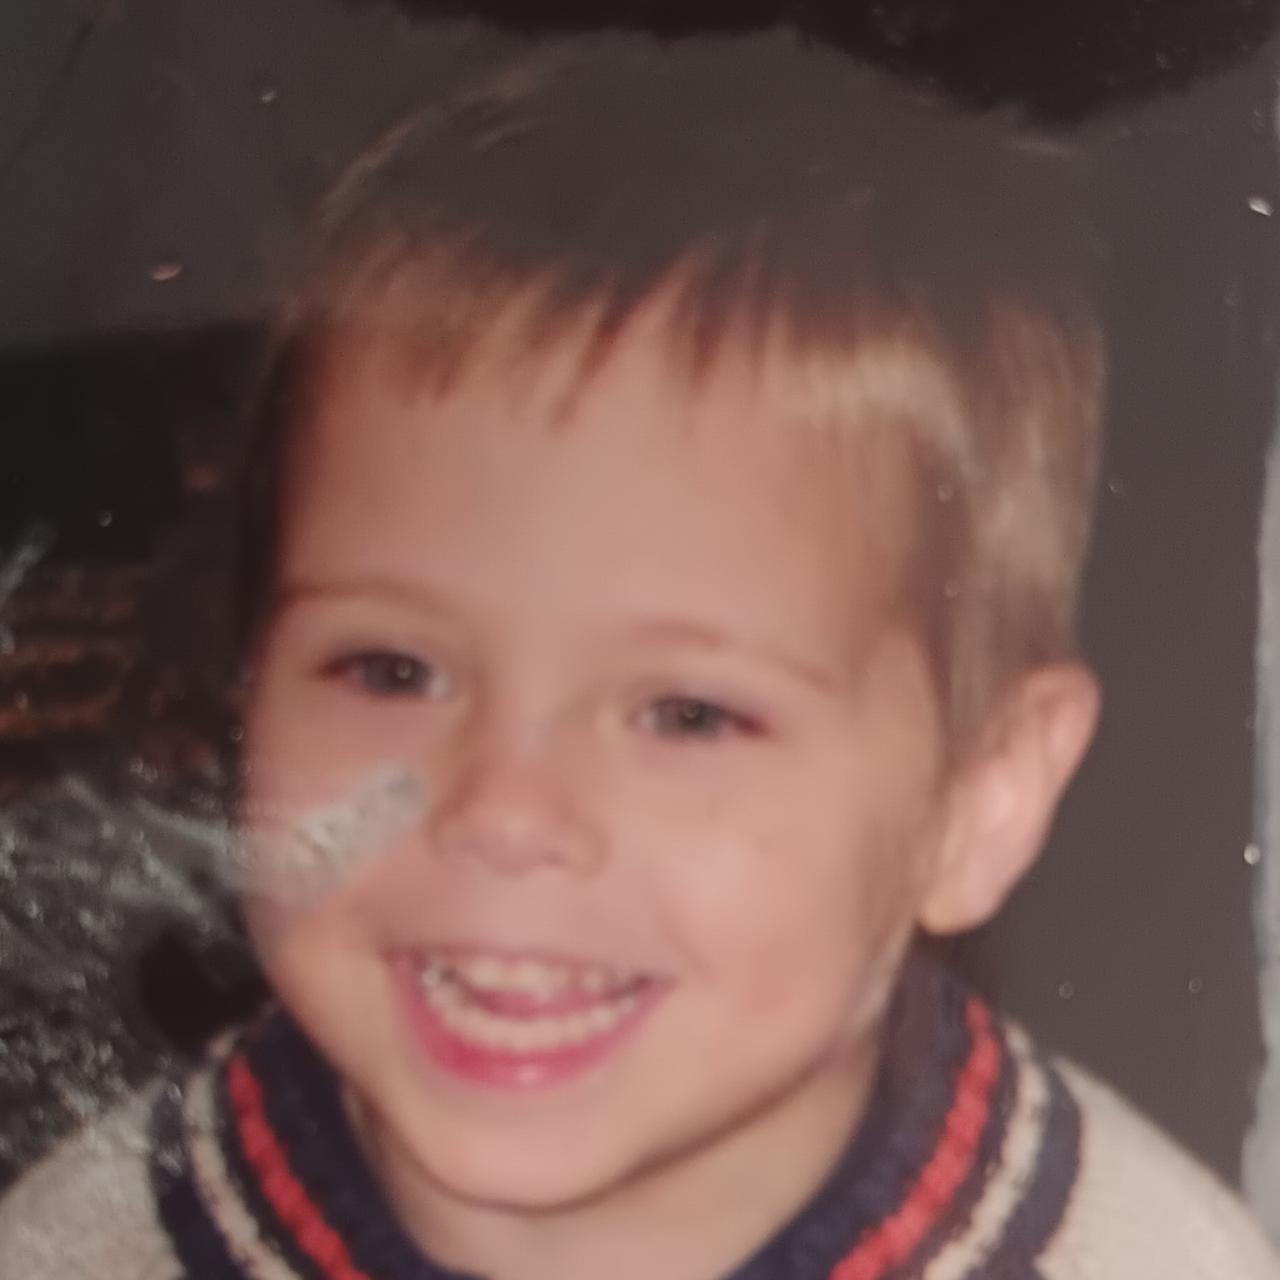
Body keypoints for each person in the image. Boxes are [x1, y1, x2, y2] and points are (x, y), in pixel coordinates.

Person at [2, 26, 1277, 1280]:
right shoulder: (82, 1245)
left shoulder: (1142, 1258)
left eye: (684, 712)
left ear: (974, 797)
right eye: (391, 668)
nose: (502, 811)